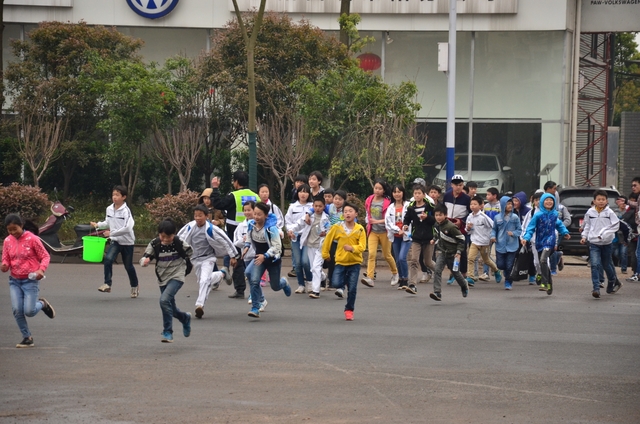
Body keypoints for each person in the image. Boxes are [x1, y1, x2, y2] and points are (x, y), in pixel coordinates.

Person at [2, 215, 55, 348]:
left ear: (21, 225)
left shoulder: (32, 239)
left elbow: (45, 256)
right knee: (17, 310)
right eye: (9, 230)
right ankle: (27, 337)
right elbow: (6, 259)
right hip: (14, 281)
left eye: (15, 229)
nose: (13, 232)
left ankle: (42, 304)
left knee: (29, 311)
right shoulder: (8, 241)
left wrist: (41, 270)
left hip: (30, 280)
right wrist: (4, 265)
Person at [177, 204, 237, 319]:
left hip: (208, 258)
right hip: (195, 259)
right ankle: (222, 273)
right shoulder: (189, 227)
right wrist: (176, 254)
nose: (198, 218)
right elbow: (179, 239)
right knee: (203, 281)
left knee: (204, 281)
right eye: (196, 216)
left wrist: (233, 255)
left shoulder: (211, 229)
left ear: (206, 216)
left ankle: (199, 305)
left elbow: (226, 241)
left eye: (200, 215)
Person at [140, 219, 193, 343]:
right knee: (170, 307)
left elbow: (190, 253)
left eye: (168, 237)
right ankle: (185, 318)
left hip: (177, 275)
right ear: (159, 234)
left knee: (164, 300)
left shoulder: (179, 242)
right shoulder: (155, 244)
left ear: (174, 234)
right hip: (162, 277)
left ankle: (167, 331)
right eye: (162, 236)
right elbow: (145, 257)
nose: (165, 239)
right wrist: (145, 261)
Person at [210, 171, 258, 299]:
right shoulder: (255, 196)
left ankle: (240, 290)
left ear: (236, 182)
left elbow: (218, 204)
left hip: (235, 231)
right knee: (253, 259)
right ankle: (255, 289)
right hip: (254, 230)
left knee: (237, 259)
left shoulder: (233, 196)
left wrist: (215, 188)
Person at [243, 202, 292, 318]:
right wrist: (246, 246)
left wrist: (265, 255)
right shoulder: (251, 224)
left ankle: (283, 282)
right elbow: (249, 236)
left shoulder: (271, 229)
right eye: (255, 214)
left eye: (259, 214)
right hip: (259, 259)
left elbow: (277, 247)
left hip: (272, 260)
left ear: (266, 215)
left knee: (275, 286)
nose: (256, 217)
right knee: (253, 279)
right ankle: (256, 307)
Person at [91, 185, 139, 297]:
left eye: (117, 195)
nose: (114, 197)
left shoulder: (126, 211)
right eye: (113, 195)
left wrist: (111, 233)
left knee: (128, 266)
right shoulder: (109, 209)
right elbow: (108, 222)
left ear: (124, 197)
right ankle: (107, 284)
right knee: (108, 259)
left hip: (127, 242)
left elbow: (128, 228)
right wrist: (98, 225)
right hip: (115, 241)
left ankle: (134, 286)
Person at [322, 202, 367, 321]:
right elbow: (328, 240)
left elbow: (362, 246)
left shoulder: (359, 229)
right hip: (340, 262)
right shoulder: (337, 227)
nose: (348, 213)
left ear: (356, 214)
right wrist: (325, 254)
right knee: (335, 283)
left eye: (350, 211)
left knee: (352, 289)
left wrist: (352, 248)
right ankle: (345, 282)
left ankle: (349, 310)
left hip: (355, 263)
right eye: (345, 211)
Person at [521, 193, 570, 295]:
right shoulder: (537, 215)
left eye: (551, 200)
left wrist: (565, 232)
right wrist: (526, 238)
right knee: (541, 262)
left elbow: (559, 225)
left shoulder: (555, 214)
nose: (549, 202)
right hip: (539, 241)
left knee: (543, 260)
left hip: (550, 241)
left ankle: (544, 282)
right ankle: (549, 283)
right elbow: (530, 228)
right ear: (542, 202)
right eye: (546, 200)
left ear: (554, 202)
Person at [579, 190, 622, 298]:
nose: (601, 201)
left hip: (607, 243)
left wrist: (605, 234)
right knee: (594, 264)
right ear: (594, 201)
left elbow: (615, 225)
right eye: (599, 199)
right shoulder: (590, 212)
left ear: (607, 201)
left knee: (606, 265)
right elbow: (587, 225)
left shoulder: (610, 213)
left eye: (603, 199)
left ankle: (612, 281)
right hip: (594, 243)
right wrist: (584, 237)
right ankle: (596, 288)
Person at [287, 197, 330, 298]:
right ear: (312, 206)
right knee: (313, 268)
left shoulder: (326, 218)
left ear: (324, 207)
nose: (318, 208)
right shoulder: (308, 217)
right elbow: (298, 224)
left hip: (320, 246)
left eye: (320, 206)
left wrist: (326, 233)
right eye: (316, 206)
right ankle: (323, 277)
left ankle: (316, 291)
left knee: (316, 267)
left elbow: (330, 230)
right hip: (310, 245)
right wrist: (291, 230)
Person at [428, 204, 470, 301]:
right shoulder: (436, 225)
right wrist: (434, 239)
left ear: (445, 215)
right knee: (437, 270)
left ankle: (464, 285)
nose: (438, 217)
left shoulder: (451, 227)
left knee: (456, 273)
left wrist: (459, 252)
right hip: (442, 252)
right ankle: (437, 292)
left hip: (453, 254)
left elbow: (461, 239)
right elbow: (437, 234)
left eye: (440, 215)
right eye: (436, 215)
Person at [362, 179, 398, 288]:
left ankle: (395, 273)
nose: (377, 190)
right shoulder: (369, 199)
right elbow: (368, 213)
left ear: (384, 190)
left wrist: (376, 221)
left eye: (380, 189)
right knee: (371, 254)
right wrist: (368, 222)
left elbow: (390, 219)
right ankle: (370, 278)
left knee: (387, 255)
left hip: (385, 232)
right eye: (376, 188)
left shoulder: (387, 202)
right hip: (373, 231)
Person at [402, 184, 436, 294]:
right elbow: (407, 218)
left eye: (419, 193)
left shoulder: (430, 206)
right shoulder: (411, 207)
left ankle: (438, 271)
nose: (417, 195)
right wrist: (405, 225)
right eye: (415, 193)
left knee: (428, 262)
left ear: (424, 195)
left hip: (428, 237)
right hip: (416, 237)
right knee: (414, 260)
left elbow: (436, 220)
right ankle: (412, 284)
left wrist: (427, 217)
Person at [235, 201, 268, 312]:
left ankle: (256, 300)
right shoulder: (241, 226)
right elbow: (236, 242)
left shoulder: (261, 224)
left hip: (257, 256)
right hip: (246, 256)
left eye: (249, 210)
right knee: (251, 278)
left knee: (254, 279)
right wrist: (244, 241)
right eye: (245, 210)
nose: (247, 212)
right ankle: (261, 299)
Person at [466, 196, 501, 286]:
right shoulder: (469, 217)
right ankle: (470, 277)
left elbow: (493, 226)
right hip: (474, 241)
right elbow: (467, 231)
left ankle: (496, 270)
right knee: (470, 258)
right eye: (471, 204)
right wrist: (468, 228)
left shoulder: (483, 217)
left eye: (475, 204)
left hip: (484, 242)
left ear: (481, 206)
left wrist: (493, 236)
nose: (472, 206)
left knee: (486, 260)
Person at [285, 184, 313, 293]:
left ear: (309, 194)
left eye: (305, 192)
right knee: (297, 263)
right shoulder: (292, 207)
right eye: (301, 191)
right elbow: (288, 221)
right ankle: (301, 284)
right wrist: (290, 231)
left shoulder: (312, 207)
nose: (303, 194)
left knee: (305, 261)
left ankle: (310, 282)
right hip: (295, 237)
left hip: (307, 237)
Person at [443, 174, 471, 282]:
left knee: (462, 251)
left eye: (460, 185)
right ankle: (452, 272)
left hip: (461, 228)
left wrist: (462, 221)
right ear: (452, 185)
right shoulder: (447, 196)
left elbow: (470, 213)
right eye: (456, 185)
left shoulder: (466, 198)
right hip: (448, 226)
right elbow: (443, 209)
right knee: (449, 250)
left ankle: (463, 273)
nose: (458, 187)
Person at [491, 196, 522, 290]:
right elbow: (494, 229)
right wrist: (492, 236)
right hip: (500, 245)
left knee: (509, 265)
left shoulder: (515, 217)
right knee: (500, 264)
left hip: (512, 245)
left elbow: (519, 230)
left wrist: (513, 233)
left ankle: (508, 281)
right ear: (503, 205)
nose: (510, 206)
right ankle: (505, 271)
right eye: (508, 204)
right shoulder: (497, 218)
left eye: (511, 204)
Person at [385, 184, 411, 289]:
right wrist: (397, 230)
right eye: (395, 192)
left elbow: (411, 219)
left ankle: (405, 279)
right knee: (397, 259)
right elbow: (388, 223)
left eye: (399, 191)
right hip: (395, 236)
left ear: (403, 193)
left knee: (402, 258)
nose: (397, 194)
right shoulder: (390, 207)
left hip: (406, 236)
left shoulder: (408, 205)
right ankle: (401, 278)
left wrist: (404, 228)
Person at [326, 189, 347, 294]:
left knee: (340, 261)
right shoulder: (329, 207)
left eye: (340, 199)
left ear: (344, 200)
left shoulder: (346, 210)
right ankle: (330, 280)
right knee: (331, 260)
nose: (337, 201)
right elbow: (317, 208)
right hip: (332, 239)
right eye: (336, 199)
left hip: (342, 240)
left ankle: (340, 281)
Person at [479, 187, 501, 281]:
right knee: (486, 252)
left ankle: (496, 268)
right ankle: (485, 273)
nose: (487, 196)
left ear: (495, 196)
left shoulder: (500, 206)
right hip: (488, 232)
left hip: (499, 232)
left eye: (488, 194)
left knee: (499, 252)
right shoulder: (486, 206)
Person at [613, 195, 629, 274]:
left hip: (624, 236)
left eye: (624, 202)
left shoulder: (628, 212)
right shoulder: (614, 212)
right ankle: (620, 260)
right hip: (616, 236)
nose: (622, 203)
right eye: (621, 201)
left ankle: (624, 268)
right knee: (616, 253)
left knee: (623, 253)